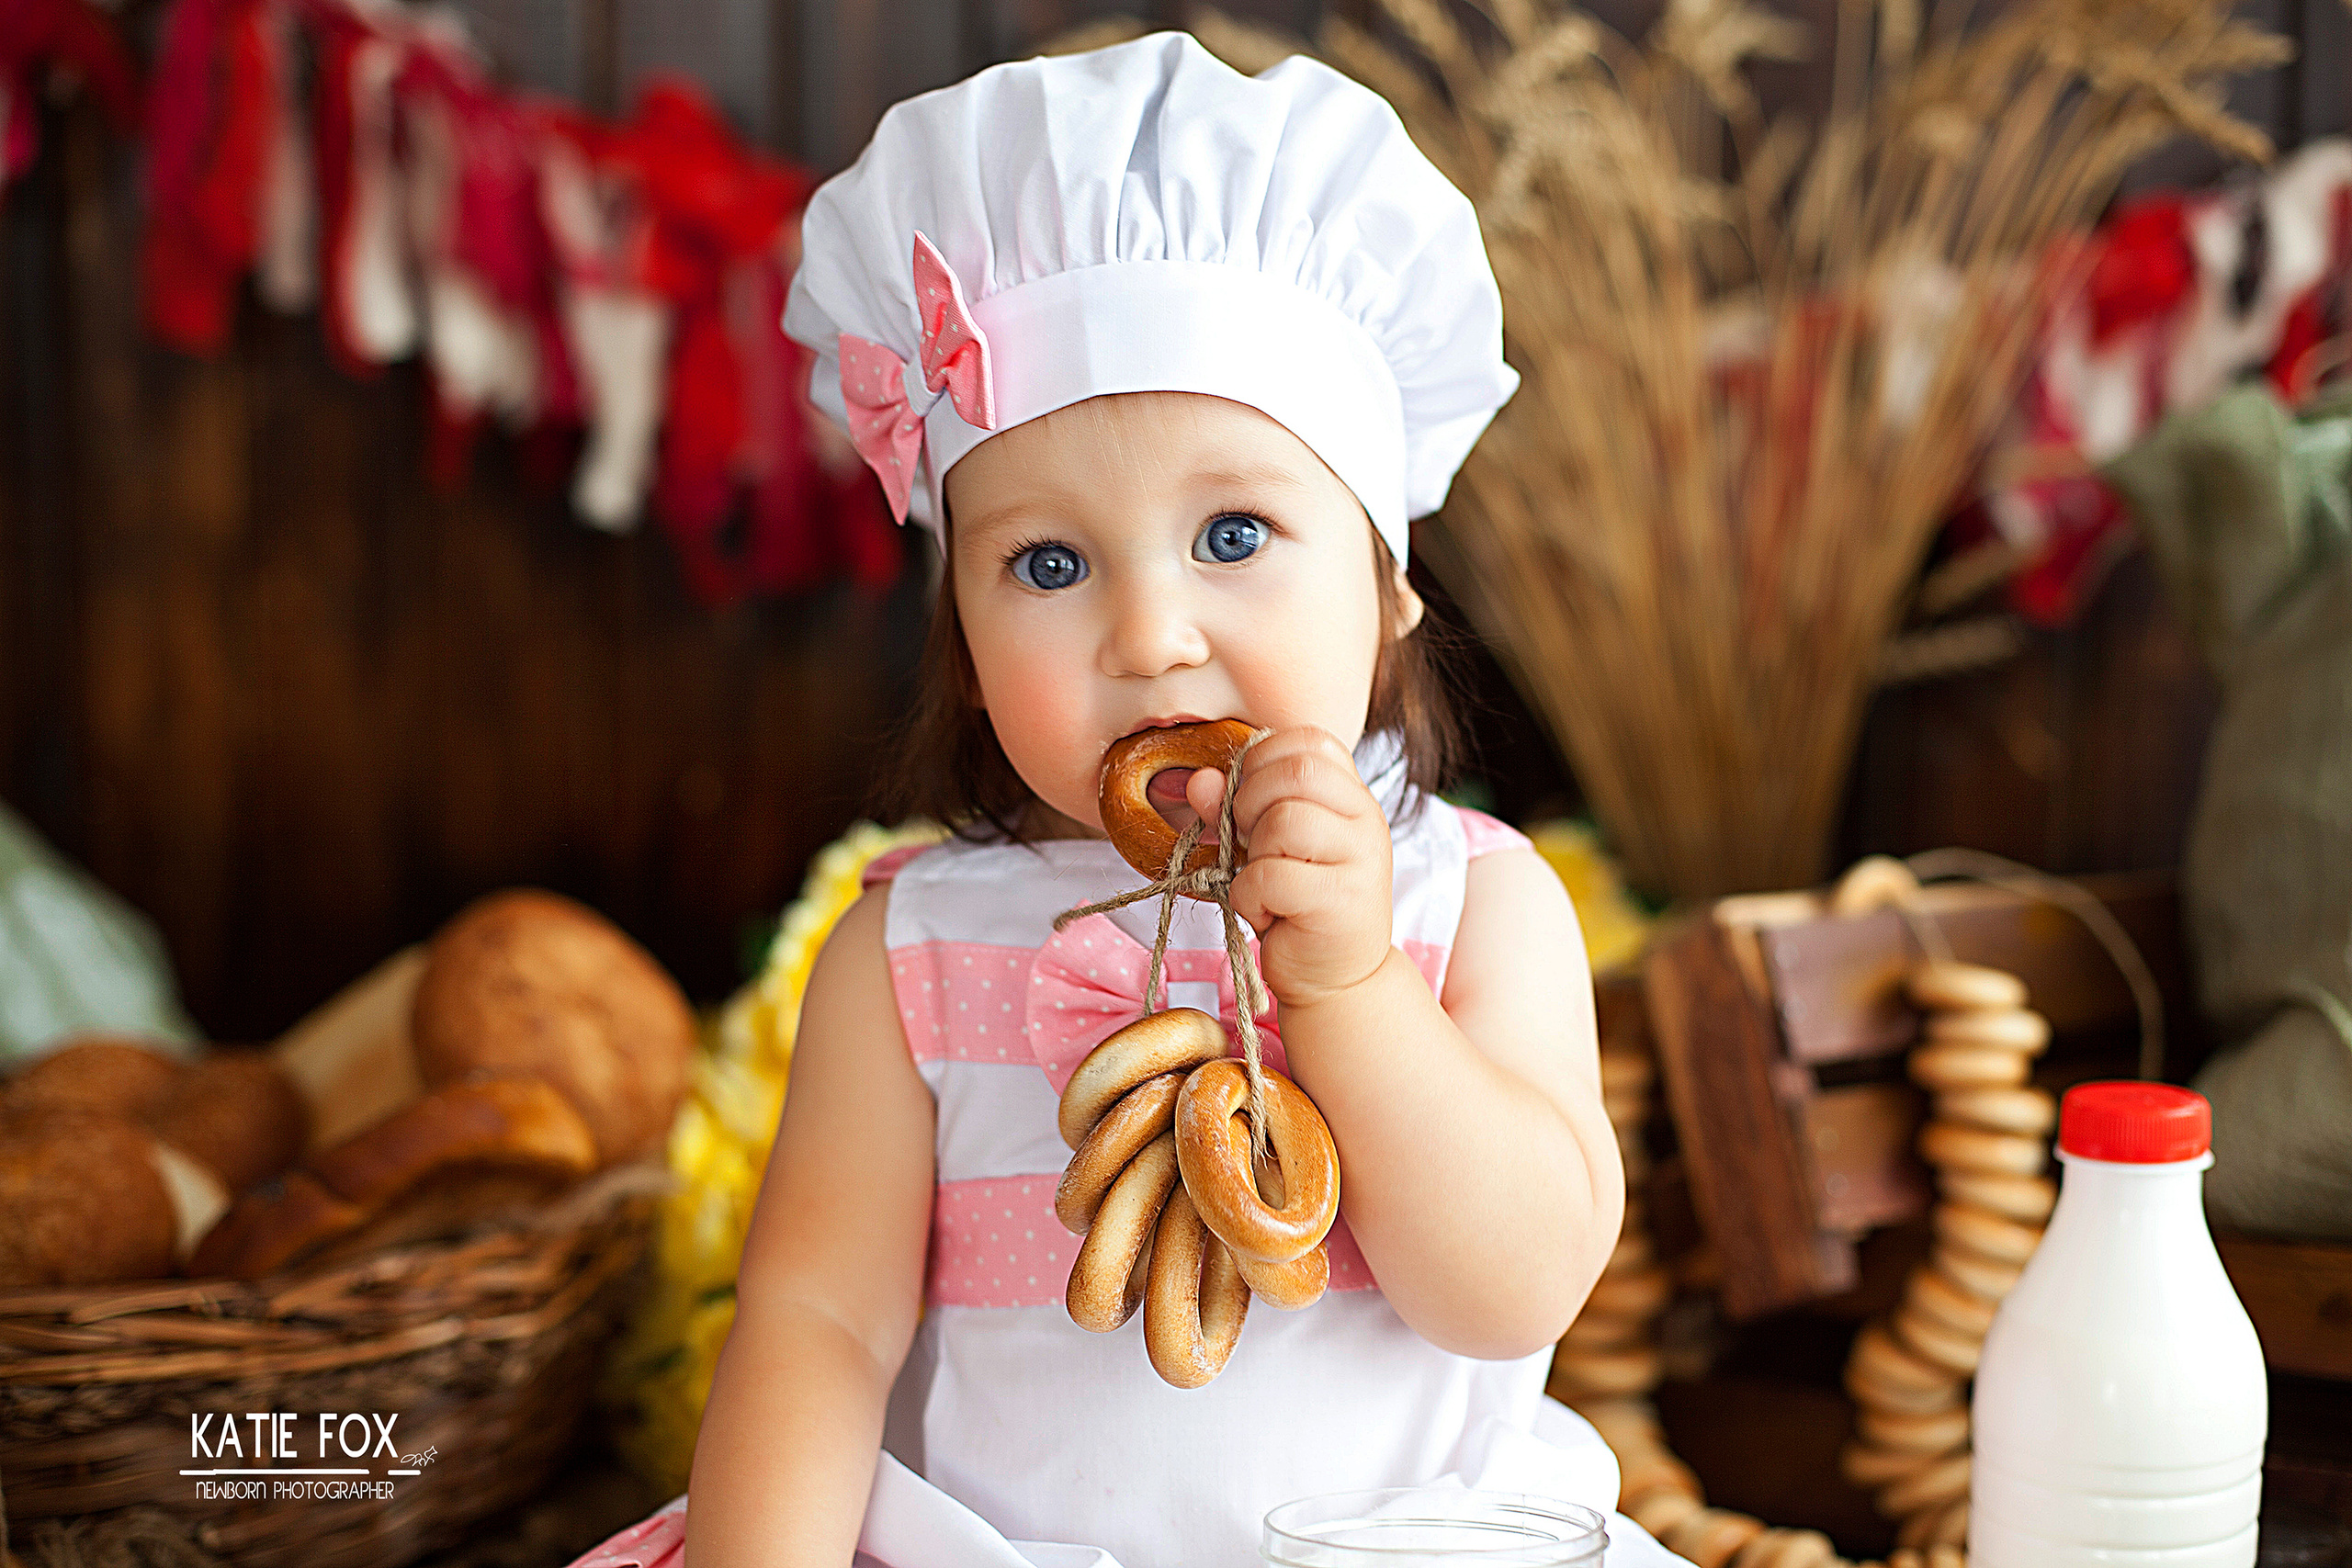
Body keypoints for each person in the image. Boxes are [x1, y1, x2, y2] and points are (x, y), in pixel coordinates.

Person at [571, 31, 1677, 1568]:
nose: (1148, 632)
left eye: (1233, 533)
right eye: (1047, 564)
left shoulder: (1473, 904)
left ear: (1388, 586)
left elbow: (1510, 1291)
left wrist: (1349, 987)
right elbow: (818, 1321)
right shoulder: (904, 961)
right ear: (962, 650)